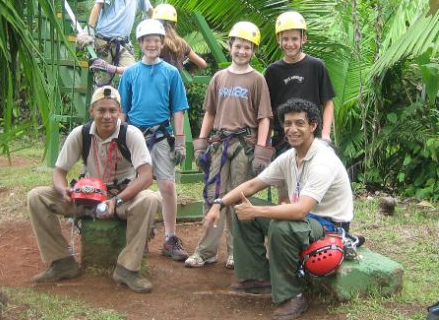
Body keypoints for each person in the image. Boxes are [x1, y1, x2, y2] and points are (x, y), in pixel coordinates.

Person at [202, 98, 354, 320]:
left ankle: (293, 295)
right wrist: (219, 203)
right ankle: (257, 277)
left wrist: (256, 212)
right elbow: (253, 185)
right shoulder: (290, 157)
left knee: (281, 227)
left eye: (300, 123)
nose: (292, 129)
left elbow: (299, 211)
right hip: (305, 218)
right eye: (288, 123)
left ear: (313, 126)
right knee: (241, 207)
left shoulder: (322, 161)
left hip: (328, 225)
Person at [27, 85, 162, 293]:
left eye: (112, 110)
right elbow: (59, 171)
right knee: (36, 196)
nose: (107, 116)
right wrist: (64, 190)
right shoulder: (80, 134)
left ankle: (127, 268)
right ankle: (61, 261)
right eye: (101, 110)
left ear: (120, 111)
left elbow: (145, 177)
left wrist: (115, 201)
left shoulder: (131, 134)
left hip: (121, 198)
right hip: (87, 197)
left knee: (150, 199)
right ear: (92, 111)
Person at [186, 21, 273, 269]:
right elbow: (210, 113)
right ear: (230, 46)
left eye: (247, 47)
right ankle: (206, 251)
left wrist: (260, 151)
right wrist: (201, 143)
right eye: (238, 46)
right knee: (212, 196)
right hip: (219, 143)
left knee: (239, 197)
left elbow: (263, 117)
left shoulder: (257, 80)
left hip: (244, 144)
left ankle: (238, 252)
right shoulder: (219, 77)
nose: (242, 51)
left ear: (253, 50)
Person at [118, 18, 190, 262]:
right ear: (140, 43)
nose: (152, 44)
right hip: (134, 135)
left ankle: (170, 237)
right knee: (133, 184)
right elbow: (123, 108)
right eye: (147, 40)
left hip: (161, 135)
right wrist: (120, 136)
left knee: (167, 185)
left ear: (162, 43)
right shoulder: (130, 73)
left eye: (156, 41)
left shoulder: (171, 73)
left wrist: (179, 141)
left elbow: (178, 108)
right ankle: (139, 233)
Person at [264, 11, 335, 152]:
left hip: (313, 139)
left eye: (294, 39)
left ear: (304, 39)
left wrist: (325, 134)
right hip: (283, 141)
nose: (290, 44)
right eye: (285, 39)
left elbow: (328, 103)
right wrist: (265, 142)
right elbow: (268, 111)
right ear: (278, 40)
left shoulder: (316, 66)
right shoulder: (272, 71)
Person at [79, 0, 153, 82]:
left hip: (123, 43)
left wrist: (164, 26)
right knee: (102, 84)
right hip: (104, 42)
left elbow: (149, 9)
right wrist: (89, 28)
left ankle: (125, 102)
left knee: (134, 76)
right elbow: (98, 5)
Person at [152, 3, 208, 72]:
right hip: (175, 82)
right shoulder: (182, 43)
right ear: (174, 24)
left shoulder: (154, 42)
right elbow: (203, 64)